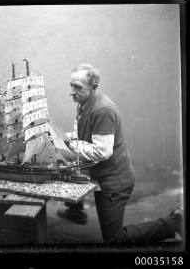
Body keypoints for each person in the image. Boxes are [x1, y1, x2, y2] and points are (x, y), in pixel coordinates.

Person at [58, 63, 183, 243]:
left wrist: (71, 143)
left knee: (114, 240)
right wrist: (63, 137)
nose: (72, 91)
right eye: (71, 85)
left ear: (94, 87)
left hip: (114, 183)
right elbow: (80, 136)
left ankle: (172, 223)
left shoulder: (102, 110)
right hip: (100, 174)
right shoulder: (83, 103)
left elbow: (102, 152)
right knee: (65, 165)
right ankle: (75, 211)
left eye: (77, 87)